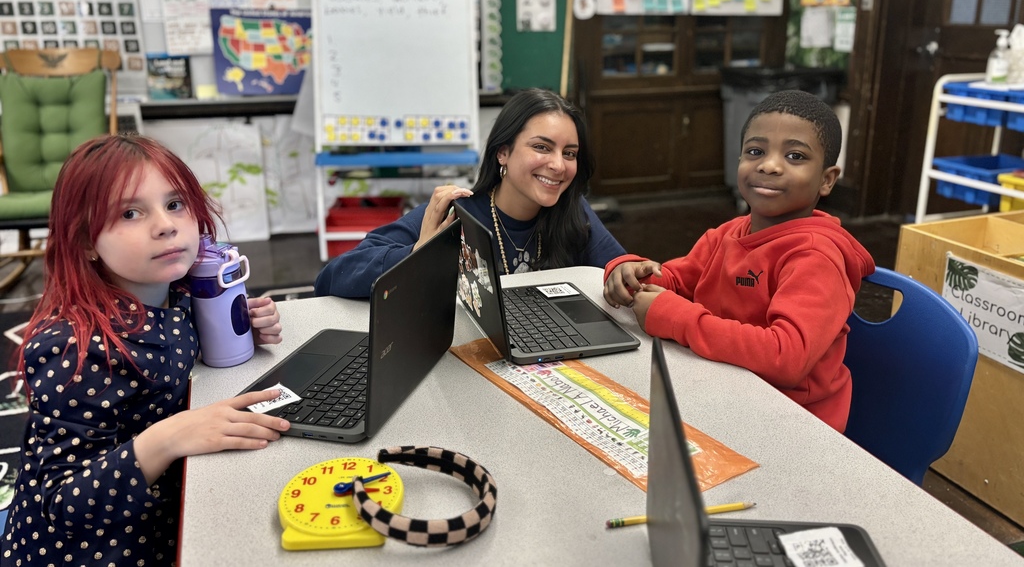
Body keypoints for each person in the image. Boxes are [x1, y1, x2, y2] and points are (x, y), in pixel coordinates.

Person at [1, 135, 291, 565]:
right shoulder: (71, 350)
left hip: (168, 498)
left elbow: (173, 340)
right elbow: (62, 503)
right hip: (95, 549)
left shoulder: (174, 291)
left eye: (175, 204)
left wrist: (238, 324)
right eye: (131, 213)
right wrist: (169, 437)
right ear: (84, 241)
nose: (165, 224)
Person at [603, 90, 875, 432]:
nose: (769, 165)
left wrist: (678, 319)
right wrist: (631, 271)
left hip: (791, 423)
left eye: (794, 156)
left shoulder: (816, 257)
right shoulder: (728, 233)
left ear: (826, 180)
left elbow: (786, 357)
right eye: (755, 151)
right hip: (723, 392)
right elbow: (673, 279)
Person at [315, 88, 626, 298]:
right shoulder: (454, 212)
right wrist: (417, 255)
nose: (558, 165)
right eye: (541, 147)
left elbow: (618, 268)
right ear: (503, 152)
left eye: (569, 153)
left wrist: (629, 273)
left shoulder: (573, 209)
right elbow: (331, 279)